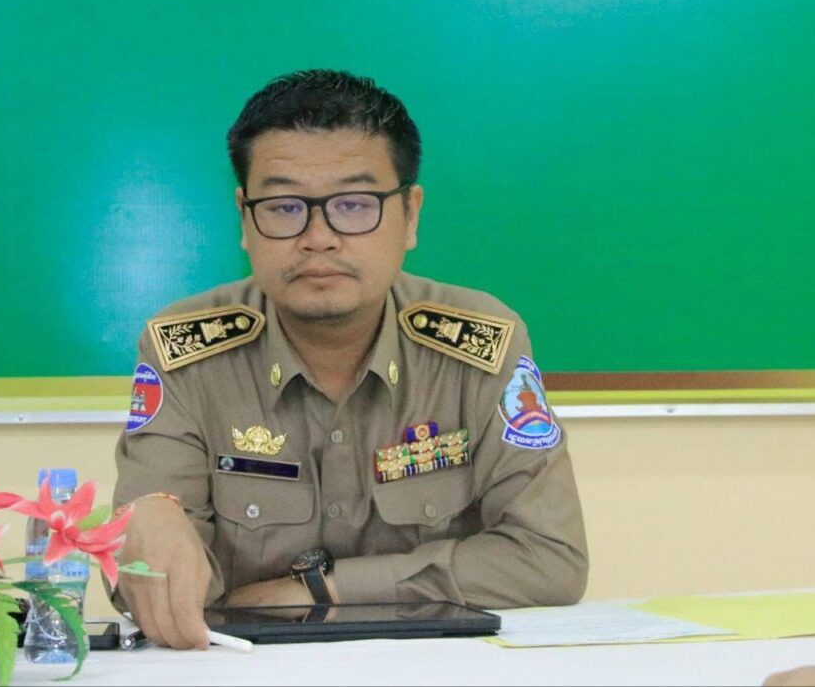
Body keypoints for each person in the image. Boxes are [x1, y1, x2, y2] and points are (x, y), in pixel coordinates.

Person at [111, 70, 588, 649]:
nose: (319, 237)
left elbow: (549, 559)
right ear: (245, 218)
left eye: (355, 205)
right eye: (284, 207)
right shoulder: (185, 351)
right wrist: (151, 526)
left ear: (410, 215)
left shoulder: (481, 345)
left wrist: (322, 589)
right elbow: (146, 564)